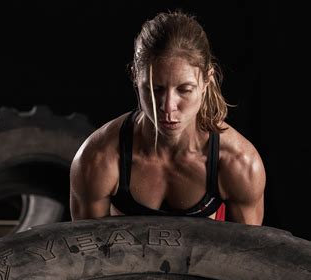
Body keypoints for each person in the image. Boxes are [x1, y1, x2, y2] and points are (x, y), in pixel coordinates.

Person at [70, 10, 266, 224]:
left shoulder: (239, 163)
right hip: (123, 259)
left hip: (210, 259)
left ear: (206, 80)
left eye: (184, 89)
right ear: (136, 76)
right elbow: (87, 255)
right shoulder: (98, 158)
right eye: (155, 89)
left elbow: (247, 254)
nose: (167, 107)